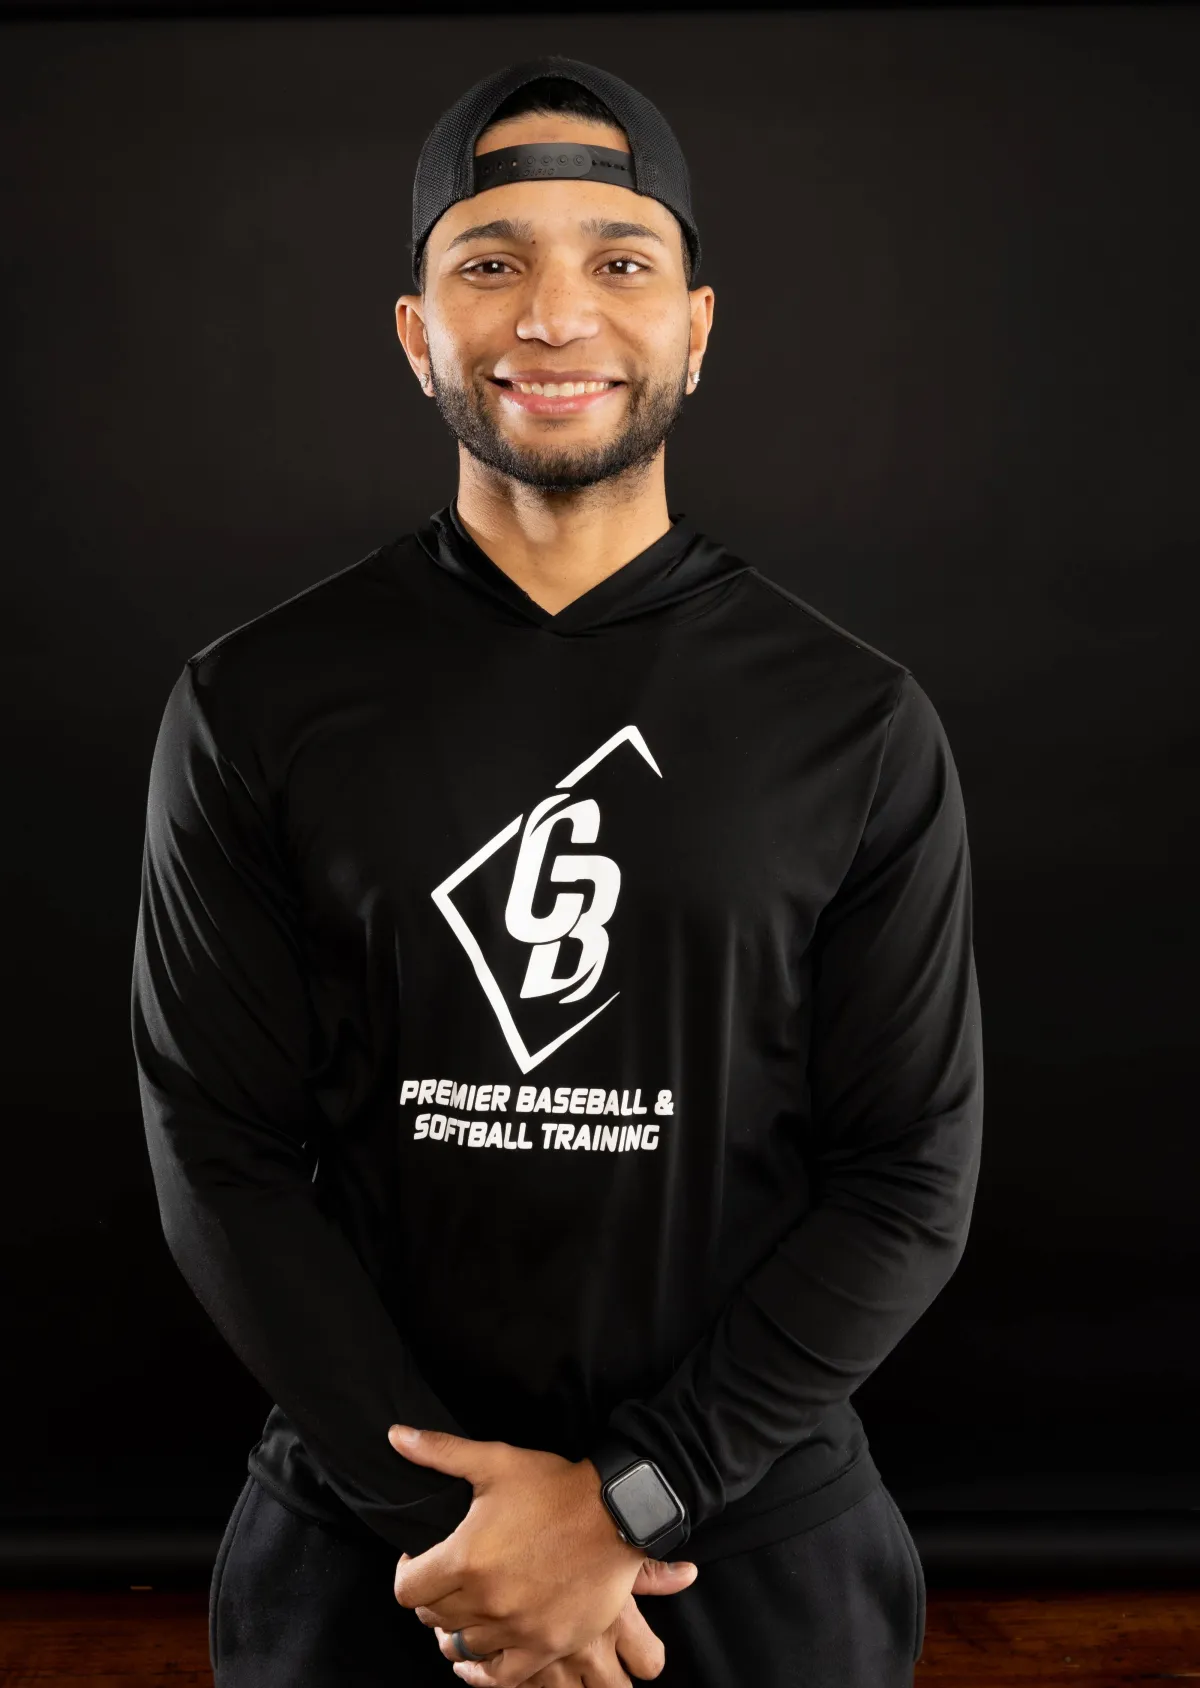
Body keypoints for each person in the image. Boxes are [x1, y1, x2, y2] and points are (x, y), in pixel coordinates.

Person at [131, 52, 981, 1688]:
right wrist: (460, 1539)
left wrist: (629, 1502)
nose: (554, 315)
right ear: (415, 332)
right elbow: (216, 1152)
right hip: (369, 1561)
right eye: (491, 261)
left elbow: (911, 1177)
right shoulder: (256, 703)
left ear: (699, 327)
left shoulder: (854, 721)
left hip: (750, 1549)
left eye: (619, 261)